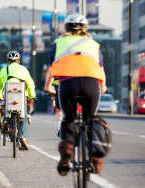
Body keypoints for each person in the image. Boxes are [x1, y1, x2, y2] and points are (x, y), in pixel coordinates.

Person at [46, 14, 107, 176]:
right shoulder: (94, 44)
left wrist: (48, 86)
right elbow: (100, 68)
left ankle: (67, 150)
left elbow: (52, 67)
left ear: (66, 28)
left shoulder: (58, 43)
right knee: (92, 119)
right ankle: (95, 159)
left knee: (68, 118)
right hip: (91, 84)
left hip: (68, 84)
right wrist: (104, 86)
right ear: (85, 29)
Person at [0, 50, 36, 150]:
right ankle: (23, 137)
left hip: (8, 92)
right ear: (18, 60)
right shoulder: (23, 69)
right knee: (24, 116)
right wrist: (31, 95)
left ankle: (5, 121)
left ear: (8, 61)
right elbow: (30, 83)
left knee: (6, 107)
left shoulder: (4, 70)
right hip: (21, 93)